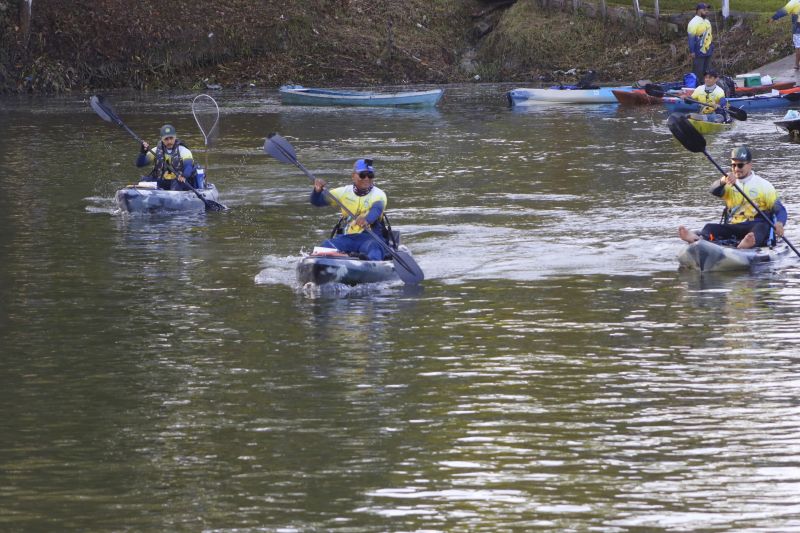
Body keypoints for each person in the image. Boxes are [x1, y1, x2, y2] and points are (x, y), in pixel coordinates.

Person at [678, 146, 787, 249]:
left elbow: (780, 209)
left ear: (750, 165)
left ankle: (746, 245)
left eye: (740, 165)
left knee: (761, 228)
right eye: (733, 165)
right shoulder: (728, 182)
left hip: (754, 226)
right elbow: (713, 190)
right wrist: (722, 181)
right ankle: (697, 238)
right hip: (735, 225)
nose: (736, 169)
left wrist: (779, 223)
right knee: (709, 227)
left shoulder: (764, 185)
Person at [310, 158, 390, 261]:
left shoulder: (379, 194)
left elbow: (376, 209)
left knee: (374, 248)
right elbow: (317, 202)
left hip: (370, 238)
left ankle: (370, 263)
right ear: (353, 176)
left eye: (370, 175)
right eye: (362, 175)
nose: (366, 178)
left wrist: (366, 220)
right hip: (348, 238)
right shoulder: (343, 192)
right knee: (326, 245)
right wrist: (317, 191)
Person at [136, 124, 198, 191]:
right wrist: (143, 152)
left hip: (179, 182)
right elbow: (140, 164)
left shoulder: (183, 150)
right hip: (162, 181)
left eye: (171, 138)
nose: (169, 141)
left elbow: (188, 166)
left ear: (175, 137)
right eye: (166, 139)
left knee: (176, 184)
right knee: (144, 181)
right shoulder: (156, 150)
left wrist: (184, 176)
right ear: (162, 139)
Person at [768, 0, 800, 70]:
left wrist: (773, 18)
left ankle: (797, 64)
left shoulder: (794, 2)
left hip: (798, 27)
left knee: (798, 47)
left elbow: (783, 11)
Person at [688, 3, 714, 86]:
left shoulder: (707, 21)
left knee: (707, 72)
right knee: (698, 72)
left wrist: (712, 47)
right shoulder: (693, 22)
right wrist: (692, 51)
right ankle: (696, 88)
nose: (706, 11)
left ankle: (706, 88)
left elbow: (710, 35)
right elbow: (691, 38)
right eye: (704, 9)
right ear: (699, 11)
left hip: (708, 51)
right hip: (698, 52)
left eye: (707, 9)